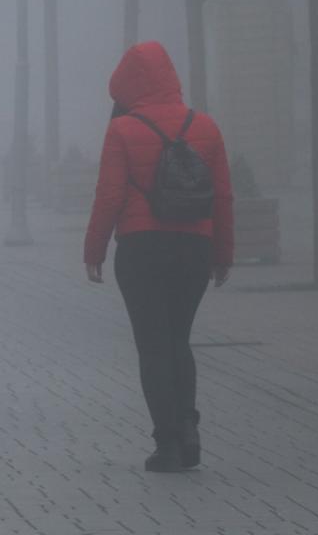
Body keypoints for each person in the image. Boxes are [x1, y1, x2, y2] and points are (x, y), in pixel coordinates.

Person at [83, 41, 234, 472]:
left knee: (153, 346)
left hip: (142, 248)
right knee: (179, 340)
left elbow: (109, 195)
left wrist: (94, 250)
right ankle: (189, 426)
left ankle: (166, 443)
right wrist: (222, 253)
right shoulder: (206, 126)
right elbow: (223, 196)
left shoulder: (122, 130)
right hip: (194, 247)